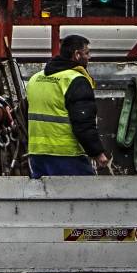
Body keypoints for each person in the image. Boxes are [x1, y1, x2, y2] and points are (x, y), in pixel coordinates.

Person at [25, 34, 111, 177]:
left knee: (46, 198)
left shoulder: (35, 78)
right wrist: (97, 153)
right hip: (67, 155)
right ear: (77, 55)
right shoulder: (75, 80)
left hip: (37, 155)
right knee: (87, 196)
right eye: (87, 53)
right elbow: (83, 122)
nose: (89, 57)